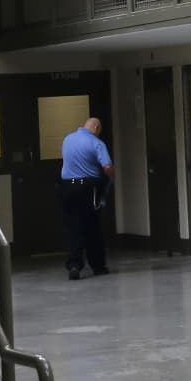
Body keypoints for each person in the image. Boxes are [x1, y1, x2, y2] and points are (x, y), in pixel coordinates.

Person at [60, 117, 113, 281]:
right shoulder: (96, 143)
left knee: (73, 226)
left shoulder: (67, 139)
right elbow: (107, 167)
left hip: (68, 187)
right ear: (96, 127)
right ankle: (98, 266)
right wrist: (110, 179)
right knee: (92, 227)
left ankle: (74, 265)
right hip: (88, 188)